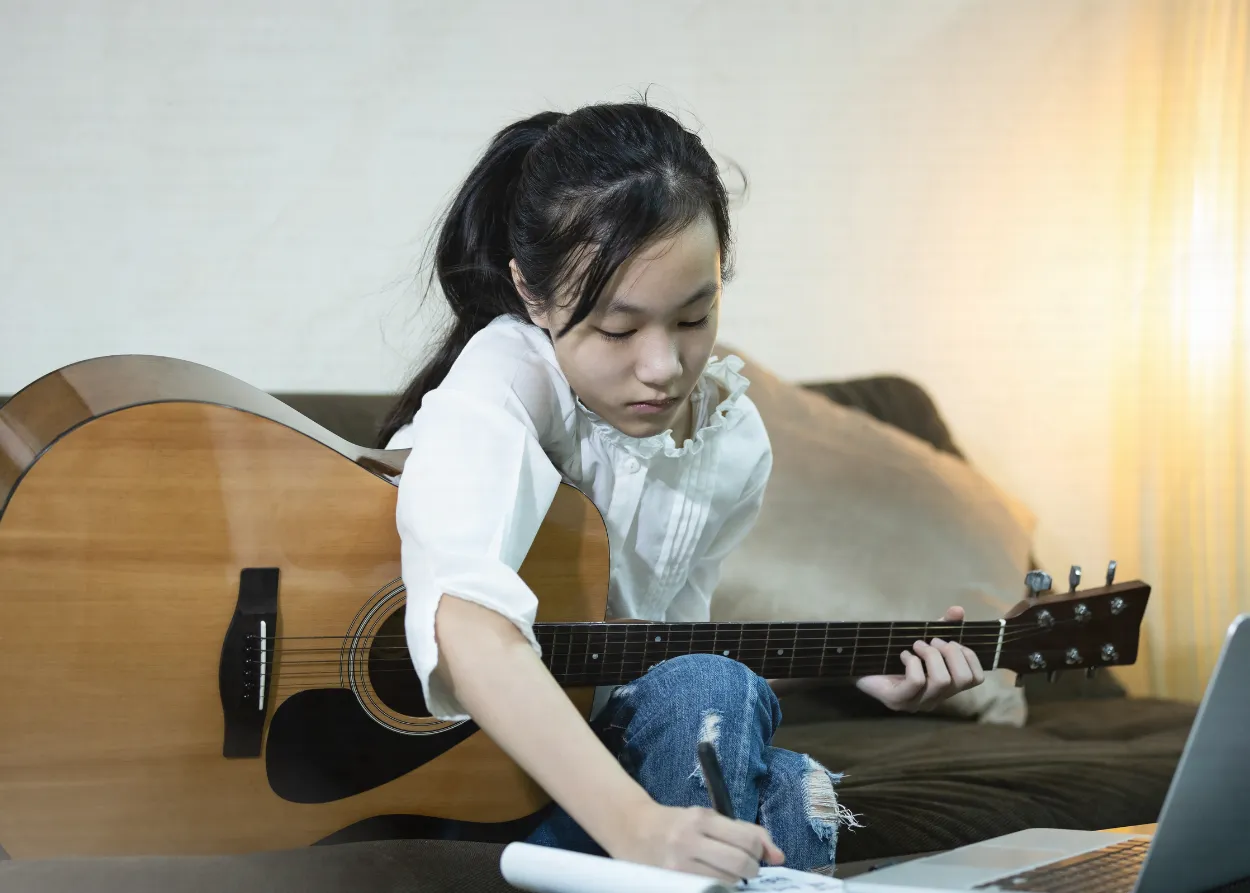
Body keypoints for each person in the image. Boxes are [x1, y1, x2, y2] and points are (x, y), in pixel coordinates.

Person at [378, 101, 985, 882]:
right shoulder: (505, 379)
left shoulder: (732, 444)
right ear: (531, 292)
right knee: (777, 778)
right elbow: (465, 622)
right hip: (452, 772)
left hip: (601, 758)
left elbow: (665, 666)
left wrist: (854, 668)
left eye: (695, 317)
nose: (664, 367)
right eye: (618, 329)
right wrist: (637, 827)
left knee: (738, 726)